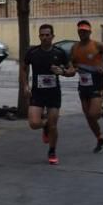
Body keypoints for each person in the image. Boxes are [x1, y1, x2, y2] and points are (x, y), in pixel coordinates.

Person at [20, 24, 71, 165]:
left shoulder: (59, 53)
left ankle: (52, 151)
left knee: (54, 125)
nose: (44, 37)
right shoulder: (32, 52)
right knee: (34, 123)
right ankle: (45, 126)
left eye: (47, 35)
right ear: (39, 36)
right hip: (38, 92)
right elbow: (23, 68)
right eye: (42, 35)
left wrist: (63, 72)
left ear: (52, 36)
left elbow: (72, 70)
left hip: (54, 93)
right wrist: (25, 85)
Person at [67, 20, 103, 153]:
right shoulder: (75, 47)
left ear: (89, 32)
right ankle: (100, 139)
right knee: (88, 116)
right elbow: (71, 62)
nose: (82, 33)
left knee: (93, 114)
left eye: (85, 31)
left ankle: (102, 111)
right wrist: (72, 68)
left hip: (97, 82)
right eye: (80, 31)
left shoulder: (97, 45)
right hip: (83, 84)